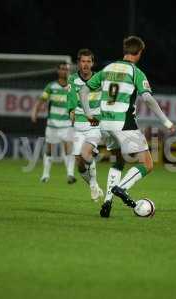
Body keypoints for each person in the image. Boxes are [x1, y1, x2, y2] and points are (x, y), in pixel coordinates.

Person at [80, 36, 175, 218]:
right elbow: (147, 98)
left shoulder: (107, 69)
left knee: (119, 161)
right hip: (123, 123)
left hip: (105, 124)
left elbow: (84, 90)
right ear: (139, 53)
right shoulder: (135, 72)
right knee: (147, 164)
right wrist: (166, 121)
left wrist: (88, 113)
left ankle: (107, 201)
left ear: (124, 50)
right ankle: (121, 188)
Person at [31, 62, 76, 184]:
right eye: (62, 69)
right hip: (52, 124)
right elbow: (41, 100)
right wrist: (35, 112)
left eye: (66, 69)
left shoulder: (72, 86)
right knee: (49, 149)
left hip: (67, 124)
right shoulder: (51, 86)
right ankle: (45, 175)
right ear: (58, 71)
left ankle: (70, 174)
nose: (65, 71)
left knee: (68, 148)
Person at [67, 49, 103, 201]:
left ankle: (94, 184)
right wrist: (71, 111)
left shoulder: (100, 78)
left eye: (89, 61)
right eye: (83, 61)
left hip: (95, 123)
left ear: (92, 63)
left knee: (86, 154)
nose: (86, 64)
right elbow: (71, 98)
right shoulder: (73, 80)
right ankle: (94, 186)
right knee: (80, 165)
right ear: (78, 63)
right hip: (78, 125)